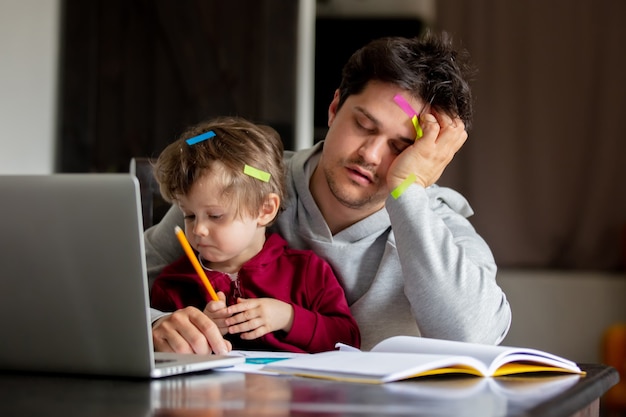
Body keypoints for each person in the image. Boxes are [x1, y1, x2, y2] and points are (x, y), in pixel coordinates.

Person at [146, 31, 512, 355]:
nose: (370, 155)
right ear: (335, 107)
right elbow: (119, 285)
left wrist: (409, 193)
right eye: (363, 125)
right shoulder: (242, 183)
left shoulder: (437, 223)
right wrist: (155, 325)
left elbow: (474, 340)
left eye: (400, 147)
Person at [149, 116, 360, 353]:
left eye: (216, 216)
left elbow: (348, 339)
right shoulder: (174, 285)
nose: (198, 229)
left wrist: (289, 317)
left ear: (265, 209)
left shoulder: (309, 273)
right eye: (189, 215)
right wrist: (200, 332)